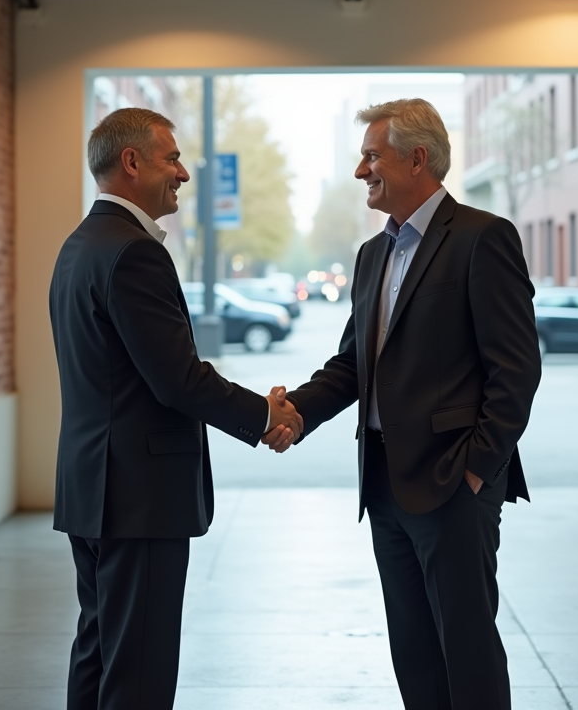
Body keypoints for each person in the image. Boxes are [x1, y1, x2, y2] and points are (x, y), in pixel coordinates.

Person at [286, 98, 541, 710]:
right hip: (383, 483)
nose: (361, 171)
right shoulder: (371, 255)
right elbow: (354, 364)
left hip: (454, 483)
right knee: (413, 650)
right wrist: (292, 412)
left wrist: (477, 469)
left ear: (417, 158)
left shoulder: (483, 238)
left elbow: (516, 369)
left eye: (372, 156)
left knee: (466, 650)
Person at [49, 107, 302, 710]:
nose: (184, 174)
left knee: (99, 651)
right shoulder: (134, 253)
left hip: (93, 487)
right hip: (138, 496)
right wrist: (267, 415)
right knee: (138, 668)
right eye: (172, 159)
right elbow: (178, 380)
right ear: (131, 162)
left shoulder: (79, 246)